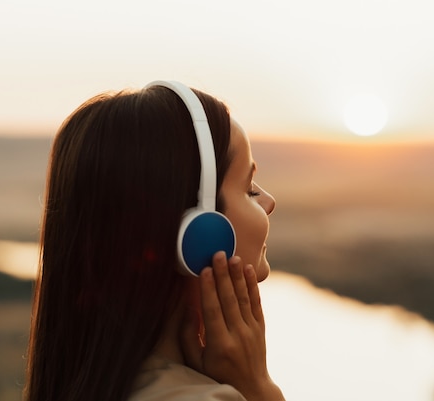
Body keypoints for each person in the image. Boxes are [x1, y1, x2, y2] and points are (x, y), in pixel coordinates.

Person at [24, 81, 285, 401]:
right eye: (249, 189)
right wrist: (259, 389)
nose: (269, 202)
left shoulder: (85, 379)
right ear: (199, 228)